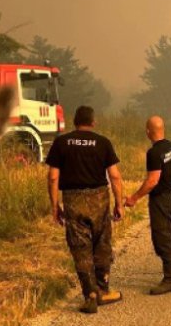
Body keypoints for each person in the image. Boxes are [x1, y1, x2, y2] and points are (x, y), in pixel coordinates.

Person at [46, 105, 125, 314]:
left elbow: (53, 177)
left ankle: (89, 294)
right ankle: (103, 290)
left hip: (73, 200)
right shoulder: (103, 143)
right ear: (93, 122)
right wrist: (119, 203)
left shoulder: (61, 143)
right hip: (99, 198)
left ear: (74, 121)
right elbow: (115, 176)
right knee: (102, 245)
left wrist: (55, 206)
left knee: (80, 249)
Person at [124, 115, 171, 295]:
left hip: (161, 199)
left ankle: (170, 280)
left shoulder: (154, 153)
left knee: (162, 239)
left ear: (148, 132)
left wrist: (135, 197)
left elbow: (152, 181)